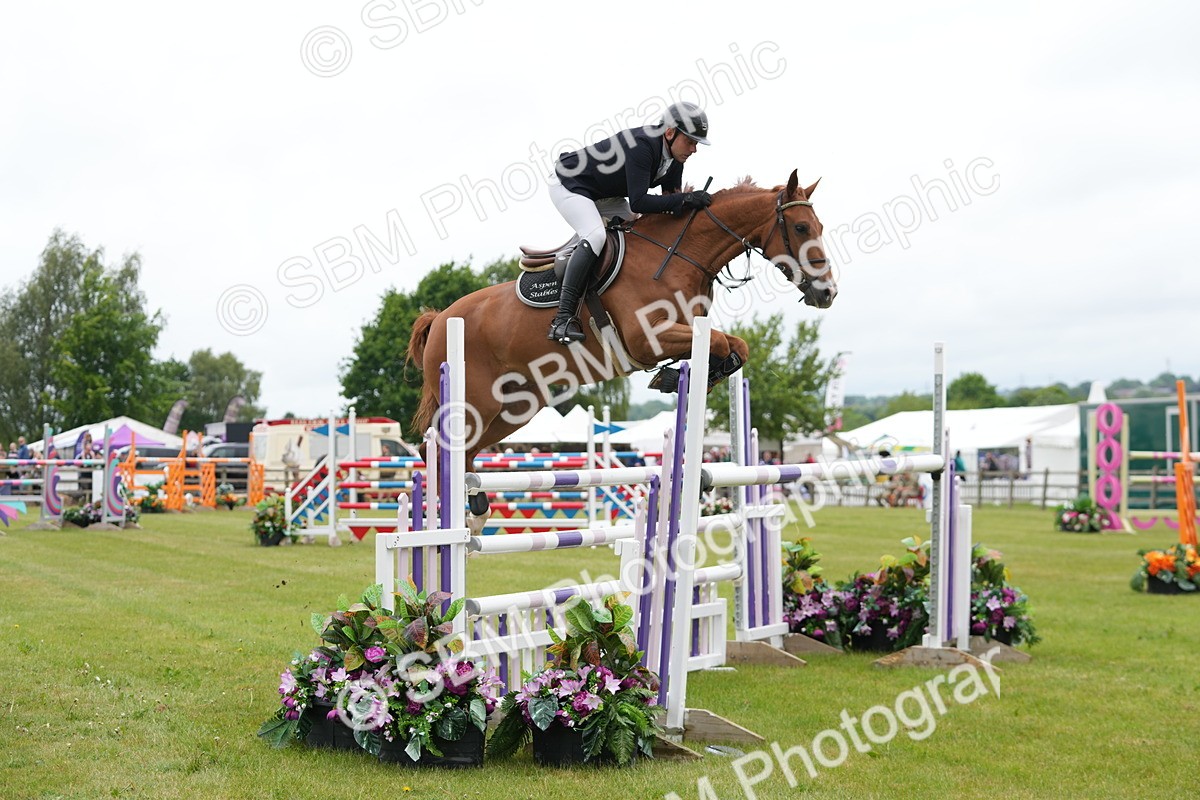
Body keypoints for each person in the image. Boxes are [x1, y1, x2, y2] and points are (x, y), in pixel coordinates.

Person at [546, 101, 712, 345]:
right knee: (595, 236)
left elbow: (668, 203)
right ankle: (562, 320)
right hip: (570, 185)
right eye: (690, 141)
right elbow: (639, 202)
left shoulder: (676, 158)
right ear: (669, 132)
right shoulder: (643, 145)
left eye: (696, 143)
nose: (694, 149)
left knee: (640, 228)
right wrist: (686, 198)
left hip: (604, 195)